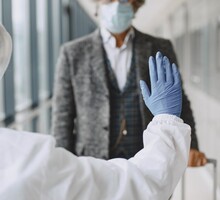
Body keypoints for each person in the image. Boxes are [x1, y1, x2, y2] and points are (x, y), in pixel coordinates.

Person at [0, 23, 191, 200]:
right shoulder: (28, 161)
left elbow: (178, 95)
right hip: (95, 157)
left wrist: (193, 147)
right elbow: (63, 115)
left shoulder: (157, 45)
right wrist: (167, 122)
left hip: (138, 147)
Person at [52, 0, 206, 166]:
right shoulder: (73, 53)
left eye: (124, 0)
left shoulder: (160, 47)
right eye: (109, 0)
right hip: (93, 164)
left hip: (149, 161)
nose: (117, 5)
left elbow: (179, 100)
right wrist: (61, 164)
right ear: (97, 4)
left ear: (135, 4)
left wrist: (190, 146)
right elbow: (63, 116)